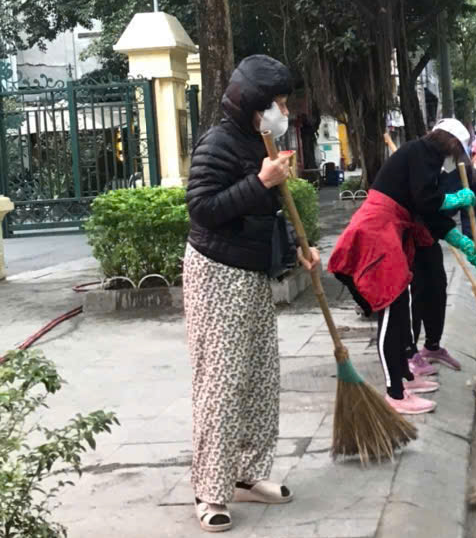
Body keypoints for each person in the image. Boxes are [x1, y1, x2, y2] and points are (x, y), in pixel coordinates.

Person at [184, 54, 319, 533]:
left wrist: (297, 253)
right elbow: (202, 208)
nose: (283, 111)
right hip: (217, 274)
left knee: (261, 377)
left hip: (253, 272)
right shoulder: (218, 142)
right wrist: (259, 180)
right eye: (277, 102)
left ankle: (248, 473)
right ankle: (210, 489)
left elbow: (268, 215)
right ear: (253, 103)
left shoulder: (260, 140)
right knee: (221, 383)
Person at [328, 118, 476, 415]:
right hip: (378, 231)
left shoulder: (427, 157)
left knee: (402, 305)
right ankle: (395, 393)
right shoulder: (421, 153)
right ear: (450, 142)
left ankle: (405, 377)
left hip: (393, 229)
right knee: (391, 307)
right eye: (458, 150)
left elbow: (427, 214)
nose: (457, 157)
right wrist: (454, 199)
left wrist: (463, 242)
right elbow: (426, 201)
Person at [410, 136, 476, 370]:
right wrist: (453, 231)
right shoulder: (446, 168)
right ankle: (409, 354)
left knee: (437, 287)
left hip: (432, 236)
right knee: (416, 293)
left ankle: (432, 347)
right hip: (410, 235)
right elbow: (425, 206)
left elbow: (474, 220)